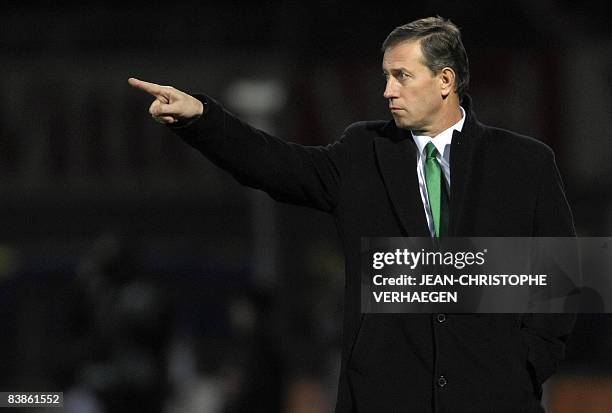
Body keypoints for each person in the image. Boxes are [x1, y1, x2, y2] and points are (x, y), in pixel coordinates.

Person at [129, 16, 575, 413]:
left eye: (401, 76)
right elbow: (275, 165)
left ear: (445, 80)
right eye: (386, 76)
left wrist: (527, 364)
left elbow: (562, 279)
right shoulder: (364, 152)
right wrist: (200, 118)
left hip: (494, 398)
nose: (387, 91)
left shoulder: (525, 163)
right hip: (385, 396)